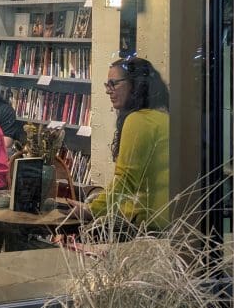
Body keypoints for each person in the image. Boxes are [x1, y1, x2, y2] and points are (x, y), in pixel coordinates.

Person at [70, 56, 170, 232]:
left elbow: (126, 181)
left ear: (135, 84)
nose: (108, 91)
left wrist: (90, 211)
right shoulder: (162, 116)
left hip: (149, 225)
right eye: (107, 85)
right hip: (170, 220)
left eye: (113, 84)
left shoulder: (139, 119)